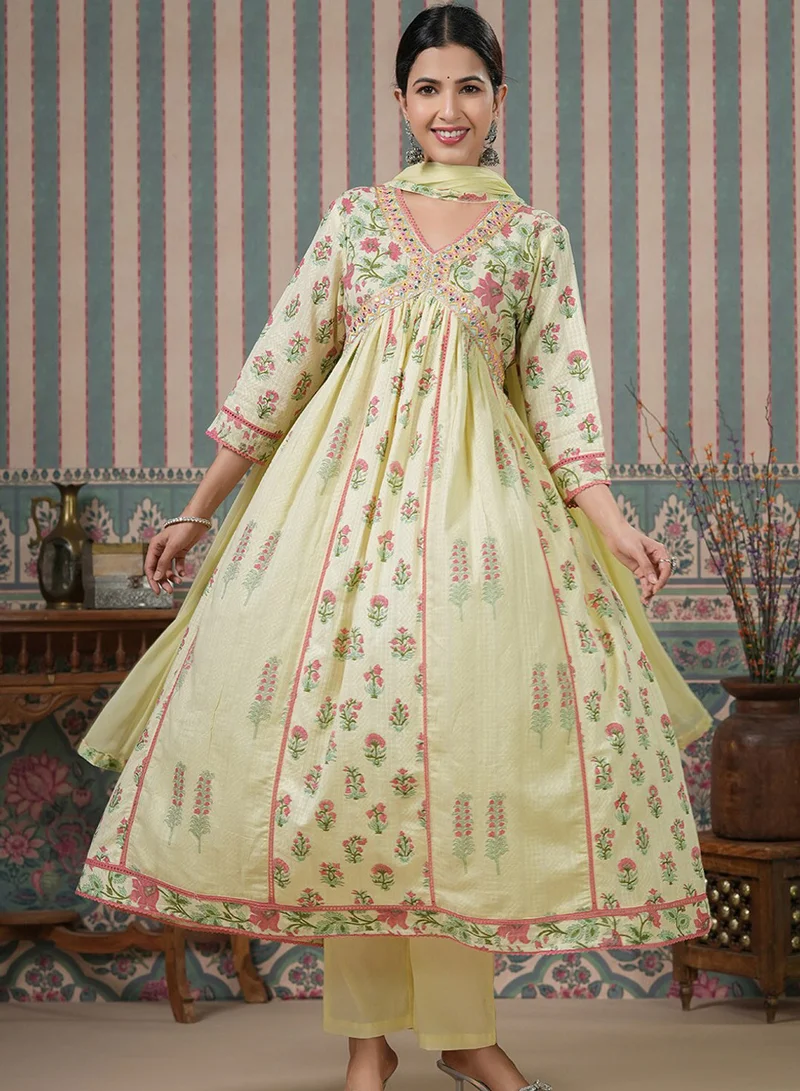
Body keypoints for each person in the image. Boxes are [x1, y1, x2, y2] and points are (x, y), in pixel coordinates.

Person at [76, 5, 712, 1090]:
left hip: (481, 550)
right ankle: (367, 1041)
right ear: (400, 101)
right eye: (427, 89)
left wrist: (612, 523)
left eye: (468, 87)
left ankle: (463, 1034)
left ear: (499, 101)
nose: (447, 109)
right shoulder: (357, 222)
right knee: (354, 785)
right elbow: (279, 367)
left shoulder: (531, 239)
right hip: (340, 538)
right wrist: (198, 509)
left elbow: (561, 400)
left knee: (458, 773)